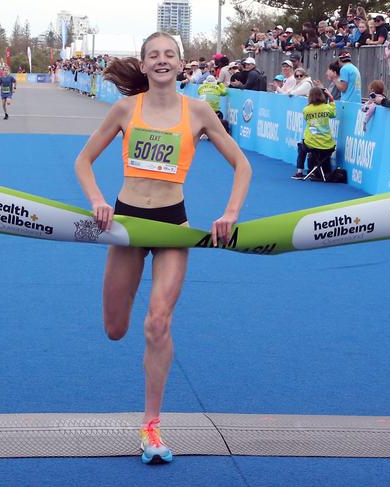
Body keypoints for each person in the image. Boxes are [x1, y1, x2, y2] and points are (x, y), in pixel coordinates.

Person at [74, 32, 252, 465]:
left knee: (156, 324)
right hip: (126, 224)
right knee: (115, 328)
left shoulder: (198, 112)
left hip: (173, 227)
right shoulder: (124, 109)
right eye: (153, 55)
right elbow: (82, 161)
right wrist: (98, 201)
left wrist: (229, 213)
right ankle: (149, 419)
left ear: (181, 62)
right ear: (144, 63)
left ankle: (151, 426)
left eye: (168, 54)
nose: (161, 61)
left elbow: (242, 165)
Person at [292, 87, 336, 180]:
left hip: (311, 144)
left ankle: (299, 171)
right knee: (316, 149)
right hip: (327, 145)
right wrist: (331, 99)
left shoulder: (306, 109)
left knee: (301, 146)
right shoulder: (327, 107)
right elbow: (333, 115)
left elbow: (306, 119)